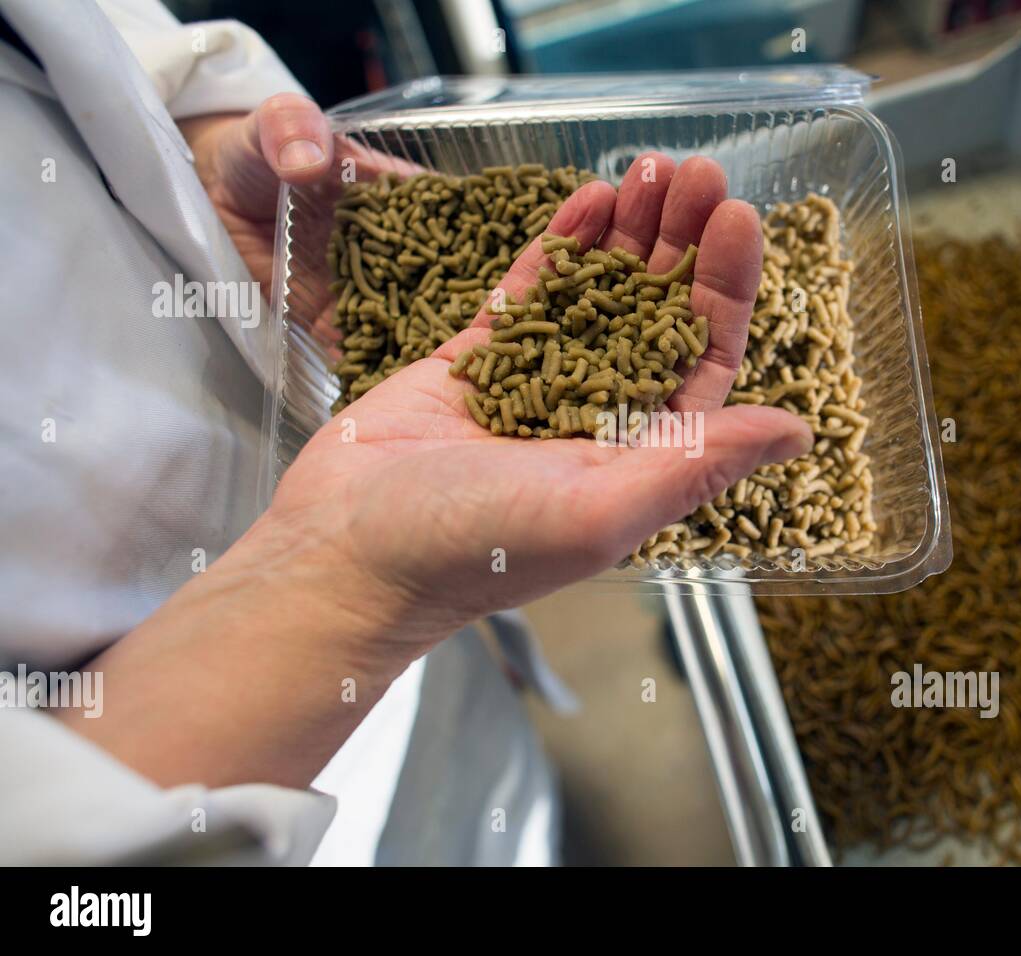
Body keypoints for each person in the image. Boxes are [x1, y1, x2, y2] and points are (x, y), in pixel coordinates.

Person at [0, 0, 811, 865]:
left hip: (366, 529)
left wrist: (193, 144)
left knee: (489, 778)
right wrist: (348, 583)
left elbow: (80, 40)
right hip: (253, 780)